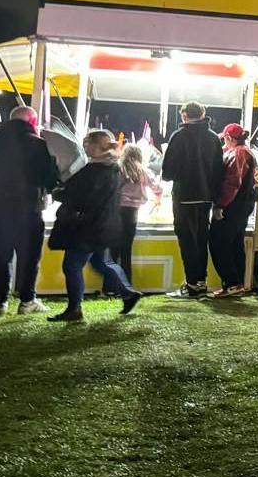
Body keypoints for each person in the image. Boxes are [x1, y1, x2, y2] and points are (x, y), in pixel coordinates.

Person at [0, 106, 61, 314]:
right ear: (31, 121)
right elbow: (50, 178)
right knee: (29, 256)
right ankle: (27, 300)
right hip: (28, 207)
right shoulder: (38, 144)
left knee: (0, 255)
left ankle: (0, 301)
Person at [46, 130, 142, 321]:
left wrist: (58, 192)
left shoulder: (97, 170)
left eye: (88, 142)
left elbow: (79, 196)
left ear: (98, 146)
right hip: (101, 225)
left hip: (86, 226)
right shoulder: (109, 167)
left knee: (72, 265)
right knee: (101, 262)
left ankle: (74, 309)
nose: (85, 145)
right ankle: (128, 293)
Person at [160, 102, 225, 298]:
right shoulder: (214, 138)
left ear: (184, 116)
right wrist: (216, 200)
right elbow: (219, 171)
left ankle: (192, 285)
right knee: (201, 239)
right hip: (206, 198)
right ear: (203, 114)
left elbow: (167, 172)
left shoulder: (179, 136)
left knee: (188, 241)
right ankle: (200, 282)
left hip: (185, 196)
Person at [209, 124, 258, 296]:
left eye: (225, 139)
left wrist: (220, 205)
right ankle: (237, 283)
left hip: (233, 205)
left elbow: (232, 183)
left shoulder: (238, 153)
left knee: (219, 242)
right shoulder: (246, 151)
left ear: (229, 138)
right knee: (235, 243)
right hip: (243, 205)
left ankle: (231, 282)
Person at [113, 143, 162, 291]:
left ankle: (109, 287)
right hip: (132, 212)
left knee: (113, 250)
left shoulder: (118, 169)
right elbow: (157, 188)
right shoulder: (143, 171)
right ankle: (127, 285)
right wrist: (157, 201)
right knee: (126, 250)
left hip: (116, 211)